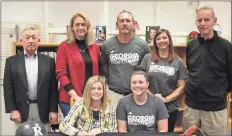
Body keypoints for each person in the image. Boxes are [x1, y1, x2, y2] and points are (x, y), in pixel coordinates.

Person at [183, 5, 232, 135]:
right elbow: (191, 71)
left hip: (215, 109)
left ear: (214, 21)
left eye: (206, 20)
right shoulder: (191, 45)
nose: (203, 24)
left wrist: (218, 93)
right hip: (191, 107)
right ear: (196, 22)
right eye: (199, 20)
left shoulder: (226, 47)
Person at [3, 26, 59, 131]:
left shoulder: (49, 61)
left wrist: (53, 110)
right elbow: (8, 88)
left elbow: (53, 88)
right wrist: (12, 110)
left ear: (38, 41)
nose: (31, 41)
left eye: (34, 37)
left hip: (43, 110)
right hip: (21, 110)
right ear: (21, 41)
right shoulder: (11, 61)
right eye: (27, 38)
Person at [140, 29, 187, 132]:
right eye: (158, 38)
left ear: (169, 40)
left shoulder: (178, 61)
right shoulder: (147, 58)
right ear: (155, 42)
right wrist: (153, 97)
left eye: (164, 37)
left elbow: (182, 86)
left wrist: (165, 99)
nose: (162, 40)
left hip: (170, 108)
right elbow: (140, 81)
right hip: (149, 105)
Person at [56, 13, 101, 117]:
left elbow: (98, 72)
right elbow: (61, 74)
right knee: (75, 130)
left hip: (91, 98)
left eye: (83, 24)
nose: (80, 27)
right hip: (70, 99)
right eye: (77, 25)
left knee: (90, 129)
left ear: (87, 27)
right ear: (72, 28)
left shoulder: (94, 47)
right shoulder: (64, 46)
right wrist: (75, 96)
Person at [101, 10, 150, 106]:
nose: (125, 23)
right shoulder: (107, 45)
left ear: (133, 24)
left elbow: (148, 68)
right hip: (114, 94)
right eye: (122, 21)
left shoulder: (142, 45)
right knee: (114, 121)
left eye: (128, 21)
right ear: (117, 24)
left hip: (137, 93)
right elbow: (104, 67)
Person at [116, 66, 169, 132]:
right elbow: (122, 131)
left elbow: (163, 130)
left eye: (141, 82)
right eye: (134, 82)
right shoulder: (123, 103)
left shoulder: (158, 102)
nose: (137, 85)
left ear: (147, 84)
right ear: (130, 84)